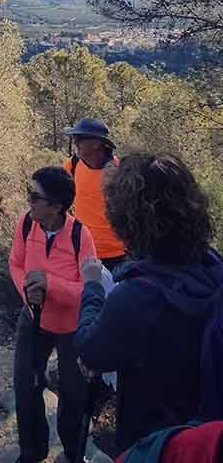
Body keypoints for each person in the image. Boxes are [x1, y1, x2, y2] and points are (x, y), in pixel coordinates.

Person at [75, 153, 223, 458]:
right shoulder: (214, 266)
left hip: (154, 443)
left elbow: (90, 350)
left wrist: (91, 286)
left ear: (124, 221)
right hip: (208, 439)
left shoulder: (135, 296)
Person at [9, 166, 97, 463]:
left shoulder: (79, 236)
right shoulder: (25, 224)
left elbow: (89, 288)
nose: (28, 202)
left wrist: (51, 285)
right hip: (33, 320)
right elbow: (16, 264)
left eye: (35, 197)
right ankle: (31, 452)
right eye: (28, 193)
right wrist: (27, 292)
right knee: (26, 385)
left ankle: (73, 454)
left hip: (71, 327)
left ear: (56, 206)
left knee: (73, 395)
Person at [63, 117, 126, 273]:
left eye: (80, 138)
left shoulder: (120, 173)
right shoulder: (72, 165)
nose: (75, 142)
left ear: (97, 144)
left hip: (118, 257)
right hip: (83, 250)